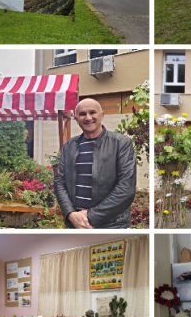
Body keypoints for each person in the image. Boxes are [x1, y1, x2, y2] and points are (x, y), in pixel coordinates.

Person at [55, 98, 137, 229]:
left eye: (92, 112)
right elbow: (59, 182)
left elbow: (126, 188)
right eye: (82, 114)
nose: (88, 118)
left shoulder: (121, 143)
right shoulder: (69, 146)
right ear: (76, 118)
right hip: (76, 224)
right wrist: (70, 213)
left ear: (102, 115)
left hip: (111, 225)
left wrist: (91, 216)